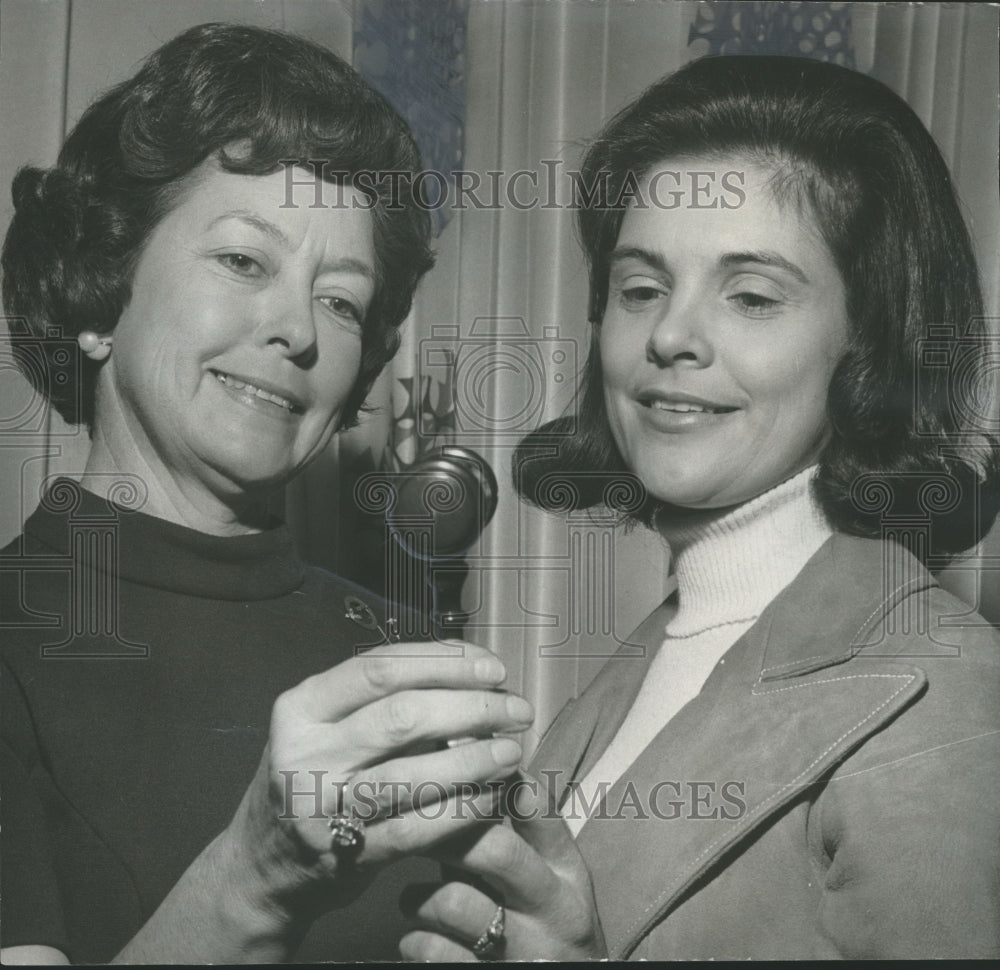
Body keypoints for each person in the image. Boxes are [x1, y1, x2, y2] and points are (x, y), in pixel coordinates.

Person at [399, 54, 1000, 960]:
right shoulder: (660, 651)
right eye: (641, 288)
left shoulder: (954, 700)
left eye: (751, 296)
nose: (671, 336)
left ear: (868, 346)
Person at [0, 23, 534, 965]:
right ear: (97, 294)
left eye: (340, 300)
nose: (297, 329)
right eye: (245, 261)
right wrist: (251, 877)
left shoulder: (406, 660)